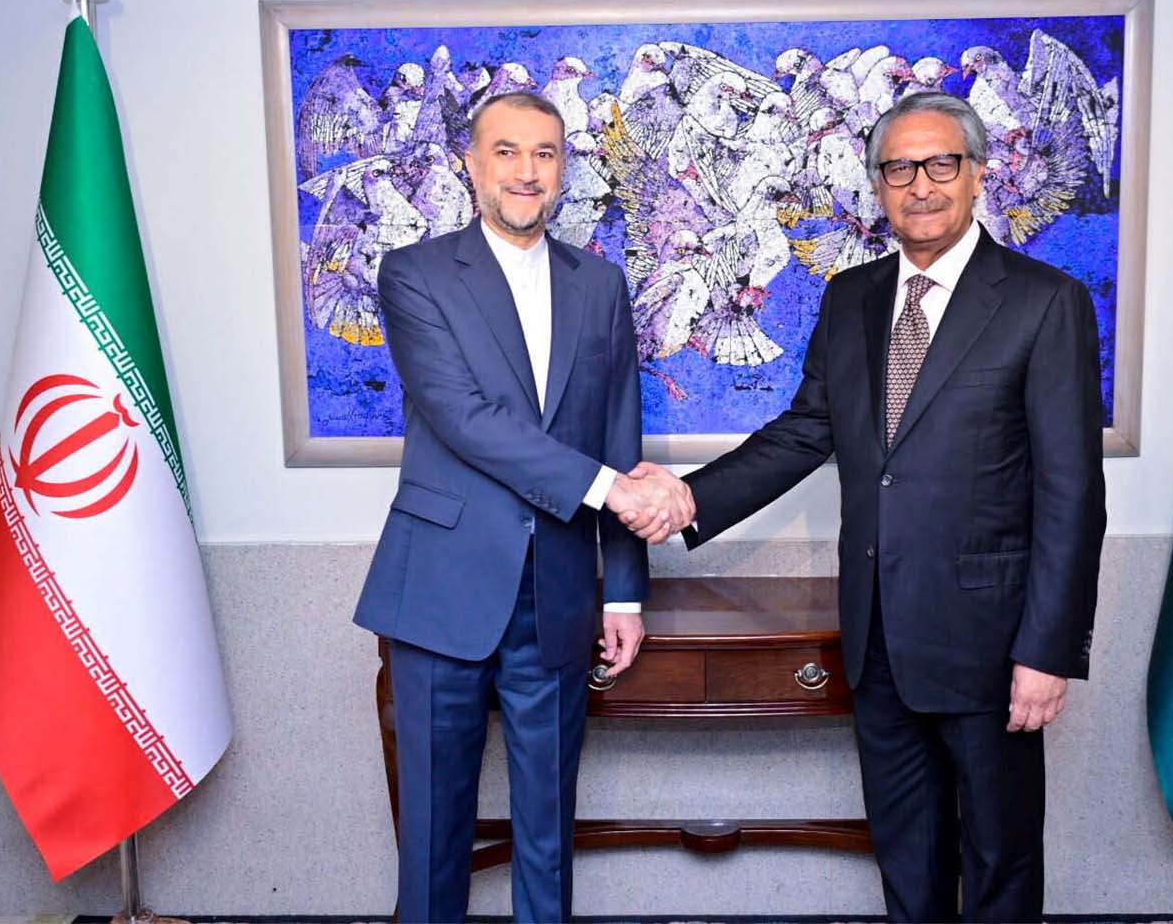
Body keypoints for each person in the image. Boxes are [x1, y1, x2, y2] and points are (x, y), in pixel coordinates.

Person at [628, 91, 1106, 921]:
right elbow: (805, 432)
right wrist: (686, 500)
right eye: (898, 168)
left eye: (940, 164)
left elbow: (1072, 494)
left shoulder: (1043, 300)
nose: (919, 184)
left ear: (977, 175)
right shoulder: (849, 296)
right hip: (877, 637)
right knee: (906, 858)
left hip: (991, 646)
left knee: (999, 859)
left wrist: (1049, 650)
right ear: (877, 186)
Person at [355, 91, 692, 923]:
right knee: (435, 840)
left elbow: (620, 429)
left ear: (563, 168)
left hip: (561, 593)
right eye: (506, 151)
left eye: (544, 153)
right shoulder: (414, 275)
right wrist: (616, 490)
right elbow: (468, 420)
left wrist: (624, 591)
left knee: (548, 832)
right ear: (470, 163)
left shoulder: (602, 284)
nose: (526, 171)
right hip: (441, 591)